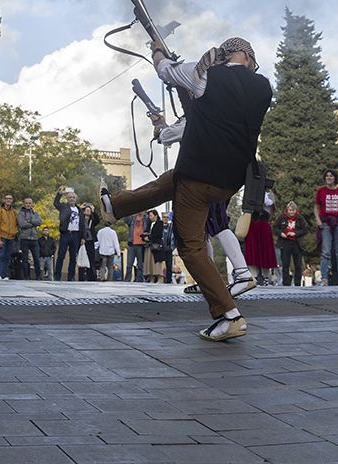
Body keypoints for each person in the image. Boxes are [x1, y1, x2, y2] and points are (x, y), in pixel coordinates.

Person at [101, 38, 272, 341]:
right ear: (246, 55)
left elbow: (164, 71)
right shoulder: (263, 86)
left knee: (190, 247)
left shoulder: (205, 73)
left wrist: (157, 49)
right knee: (172, 179)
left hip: (200, 174)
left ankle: (228, 314)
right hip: (230, 180)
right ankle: (117, 206)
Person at [314, 169, 338, 286]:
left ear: (335, 178)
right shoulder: (321, 191)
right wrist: (318, 220)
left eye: (331, 176)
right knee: (326, 252)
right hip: (325, 223)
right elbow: (316, 207)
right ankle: (324, 278)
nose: (329, 178)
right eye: (327, 176)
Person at [244, 190, 277, 285]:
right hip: (253, 224)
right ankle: (254, 277)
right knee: (252, 251)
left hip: (263, 224)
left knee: (265, 252)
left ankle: (266, 277)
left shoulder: (269, 195)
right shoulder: (250, 193)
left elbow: (270, 204)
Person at [274, 201, 309, 286]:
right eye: (290, 210)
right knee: (285, 263)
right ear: (287, 210)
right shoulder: (282, 217)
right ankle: (285, 282)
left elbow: (305, 229)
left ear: (295, 210)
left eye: (293, 210)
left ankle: (297, 282)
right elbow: (275, 227)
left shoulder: (300, 218)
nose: (291, 212)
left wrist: (295, 233)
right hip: (285, 242)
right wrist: (281, 233)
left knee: (298, 264)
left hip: (296, 243)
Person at [53, 187, 81, 281]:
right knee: (61, 256)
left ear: (75, 199)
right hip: (65, 234)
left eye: (73, 197)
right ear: (67, 198)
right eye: (70, 197)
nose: (72, 199)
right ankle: (57, 276)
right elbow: (56, 203)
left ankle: (71, 277)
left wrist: (83, 237)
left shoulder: (79, 209)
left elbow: (82, 224)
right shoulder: (64, 207)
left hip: (75, 235)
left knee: (73, 257)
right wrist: (59, 194)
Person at [16, 197, 42, 279]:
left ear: (32, 204)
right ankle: (26, 276)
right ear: (24, 204)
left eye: (29, 203)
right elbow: (22, 224)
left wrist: (29, 221)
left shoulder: (35, 213)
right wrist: (34, 223)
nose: (28, 204)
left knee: (36, 259)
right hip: (24, 238)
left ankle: (38, 276)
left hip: (34, 238)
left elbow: (40, 221)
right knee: (25, 258)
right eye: (26, 203)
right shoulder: (20, 213)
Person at [0, 194, 18, 280]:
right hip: (2, 237)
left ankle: (4, 275)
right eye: (7, 198)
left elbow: (16, 223)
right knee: (1, 256)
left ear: (12, 200)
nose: (8, 200)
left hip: (11, 238)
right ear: (4, 200)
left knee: (8, 257)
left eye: (10, 198)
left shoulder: (14, 212)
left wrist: (15, 232)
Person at [78, 203, 101, 281]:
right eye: (86, 210)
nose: (88, 211)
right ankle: (81, 277)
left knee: (91, 259)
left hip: (90, 240)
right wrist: (81, 208)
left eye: (89, 210)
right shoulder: (81, 218)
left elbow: (98, 220)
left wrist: (93, 210)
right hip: (82, 240)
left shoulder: (92, 220)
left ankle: (92, 277)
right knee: (81, 258)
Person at [142, 209, 165, 283]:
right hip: (149, 245)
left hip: (156, 245)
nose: (150, 217)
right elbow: (146, 231)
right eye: (149, 216)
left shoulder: (160, 223)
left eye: (151, 215)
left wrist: (149, 237)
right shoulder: (149, 224)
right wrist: (144, 237)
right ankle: (151, 277)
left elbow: (158, 234)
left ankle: (159, 277)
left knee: (157, 262)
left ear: (156, 215)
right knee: (149, 262)